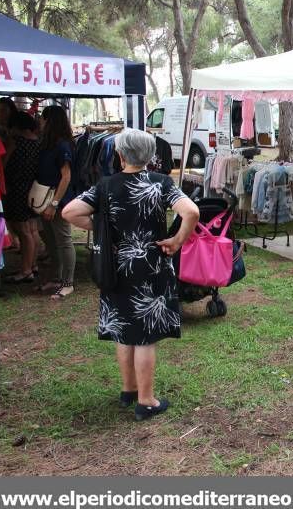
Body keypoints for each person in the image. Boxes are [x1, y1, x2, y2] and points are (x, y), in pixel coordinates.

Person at [62, 130, 199, 421]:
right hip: (151, 266)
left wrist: (101, 228)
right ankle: (146, 401)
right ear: (151, 156)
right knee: (145, 337)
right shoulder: (161, 183)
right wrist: (176, 241)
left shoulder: (106, 186)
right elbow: (191, 212)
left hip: (115, 266)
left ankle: (128, 390)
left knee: (123, 331)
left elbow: (70, 212)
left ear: (120, 155)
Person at [36, 106, 77, 300]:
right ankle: (57, 277)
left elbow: (66, 176)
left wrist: (54, 204)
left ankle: (68, 283)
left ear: (50, 120)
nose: (40, 122)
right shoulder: (48, 144)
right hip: (46, 199)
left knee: (63, 240)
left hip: (57, 201)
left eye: (42, 118)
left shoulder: (62, 146)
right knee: (51, 240)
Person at [2, 112, 40, 283]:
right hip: (32, 189)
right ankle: (32, 265)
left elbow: (3, 163)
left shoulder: (15, 142)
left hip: (17, 189)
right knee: (32, 229)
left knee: (23, 232)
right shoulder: (37, 142)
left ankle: (25, 270)